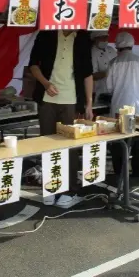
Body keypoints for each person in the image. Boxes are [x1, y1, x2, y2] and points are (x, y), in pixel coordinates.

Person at [29, 30, 93, 207]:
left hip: (71, 100)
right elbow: (33, 65)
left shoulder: (82, 37)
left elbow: (87, 72)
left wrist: (88, 104)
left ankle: (69, 191)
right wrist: (46, 83)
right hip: (47, 99)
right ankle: (51, 189)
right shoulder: (46, 34)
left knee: (70, 147)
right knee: (48, 144)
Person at [107, 32, 139, 177]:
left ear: (117, 46)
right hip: (136, 106)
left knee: (118, 139)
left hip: (118, 105)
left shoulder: (113, 63)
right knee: (136, 139)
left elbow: (109, 88)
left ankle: (120, 171)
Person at [91, 31, 116, 103]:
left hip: (115, 89)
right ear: (95, 39)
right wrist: (108, 73)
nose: (105, 40)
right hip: (101, 91)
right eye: (102, 38)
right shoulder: (92, 52)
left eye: (106, 38)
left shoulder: (111, 49)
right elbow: (93, 75)